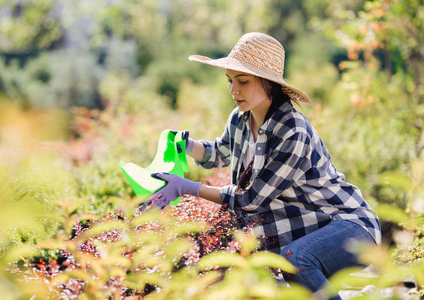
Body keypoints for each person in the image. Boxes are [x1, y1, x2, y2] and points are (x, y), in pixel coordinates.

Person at [144, 32, 381, 300]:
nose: (234, 90)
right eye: (230, 81)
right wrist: (188, 146)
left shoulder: (293, 130)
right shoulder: (240, 119)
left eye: (243, 81)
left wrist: (189, 188)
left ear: (268, 83)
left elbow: (251, 198)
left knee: (295, 259)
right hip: (306, 231)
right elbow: (219, 153)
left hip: (349, 227)